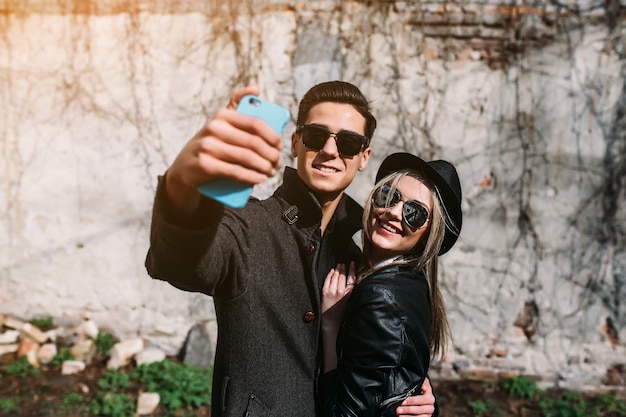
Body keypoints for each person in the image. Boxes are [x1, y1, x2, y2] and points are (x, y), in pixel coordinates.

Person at [145, 81, 437, 417]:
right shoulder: (248, 227)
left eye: (348, 142)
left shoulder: (359, 261)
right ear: (295, 143)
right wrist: (184, 180)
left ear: (363, 158)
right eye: (315, 136)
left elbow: (368, 378)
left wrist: (416, 402)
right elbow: (179, 261)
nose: (330, 150)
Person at [320, 152, 463, 417]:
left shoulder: (381, 296)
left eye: (415, 213)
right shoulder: (413, 284)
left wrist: (330, 326)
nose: (394, 213)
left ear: (427, 235)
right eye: (389, 196)